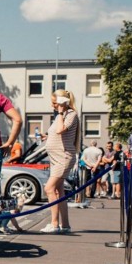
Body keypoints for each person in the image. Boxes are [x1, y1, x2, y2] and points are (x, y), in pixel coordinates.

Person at [40, 89, 79, 233]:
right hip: (56, 157)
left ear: (63, 103)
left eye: (55, 103)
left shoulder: (70, 114)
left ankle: (54, 224)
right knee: (59, 190)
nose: (53, 106)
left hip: (63, 156)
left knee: (49, 188)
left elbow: (60, 130)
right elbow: (55, 132)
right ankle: (66, 225)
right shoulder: (59, 116)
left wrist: (61, 112)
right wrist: (46, 137)